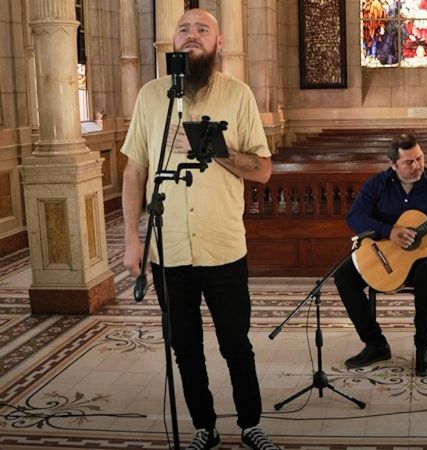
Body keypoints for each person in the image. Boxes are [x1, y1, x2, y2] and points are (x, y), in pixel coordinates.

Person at [121, 8, 281, 450]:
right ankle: (204, 427)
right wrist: (133, 239)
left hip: (223, 247)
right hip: (168, 251)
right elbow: (135, 171)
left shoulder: (238, 94)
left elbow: (264, 170)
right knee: (185, 349)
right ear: (173, 40)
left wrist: (212, 148)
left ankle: (250, 423)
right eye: (184, 28)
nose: (191, 35)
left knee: (236, 345)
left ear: (219, 42)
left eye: (202, 29)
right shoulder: (151, 96)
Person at [333, 134, 427, 377]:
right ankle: (375, 343)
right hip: (384, 252)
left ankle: (424, 348)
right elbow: (354, 218)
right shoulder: (376, 184)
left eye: (420, 159)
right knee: (344, 276)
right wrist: (390, 231)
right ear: (393, 165)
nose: (417, 166)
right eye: (409, 162)